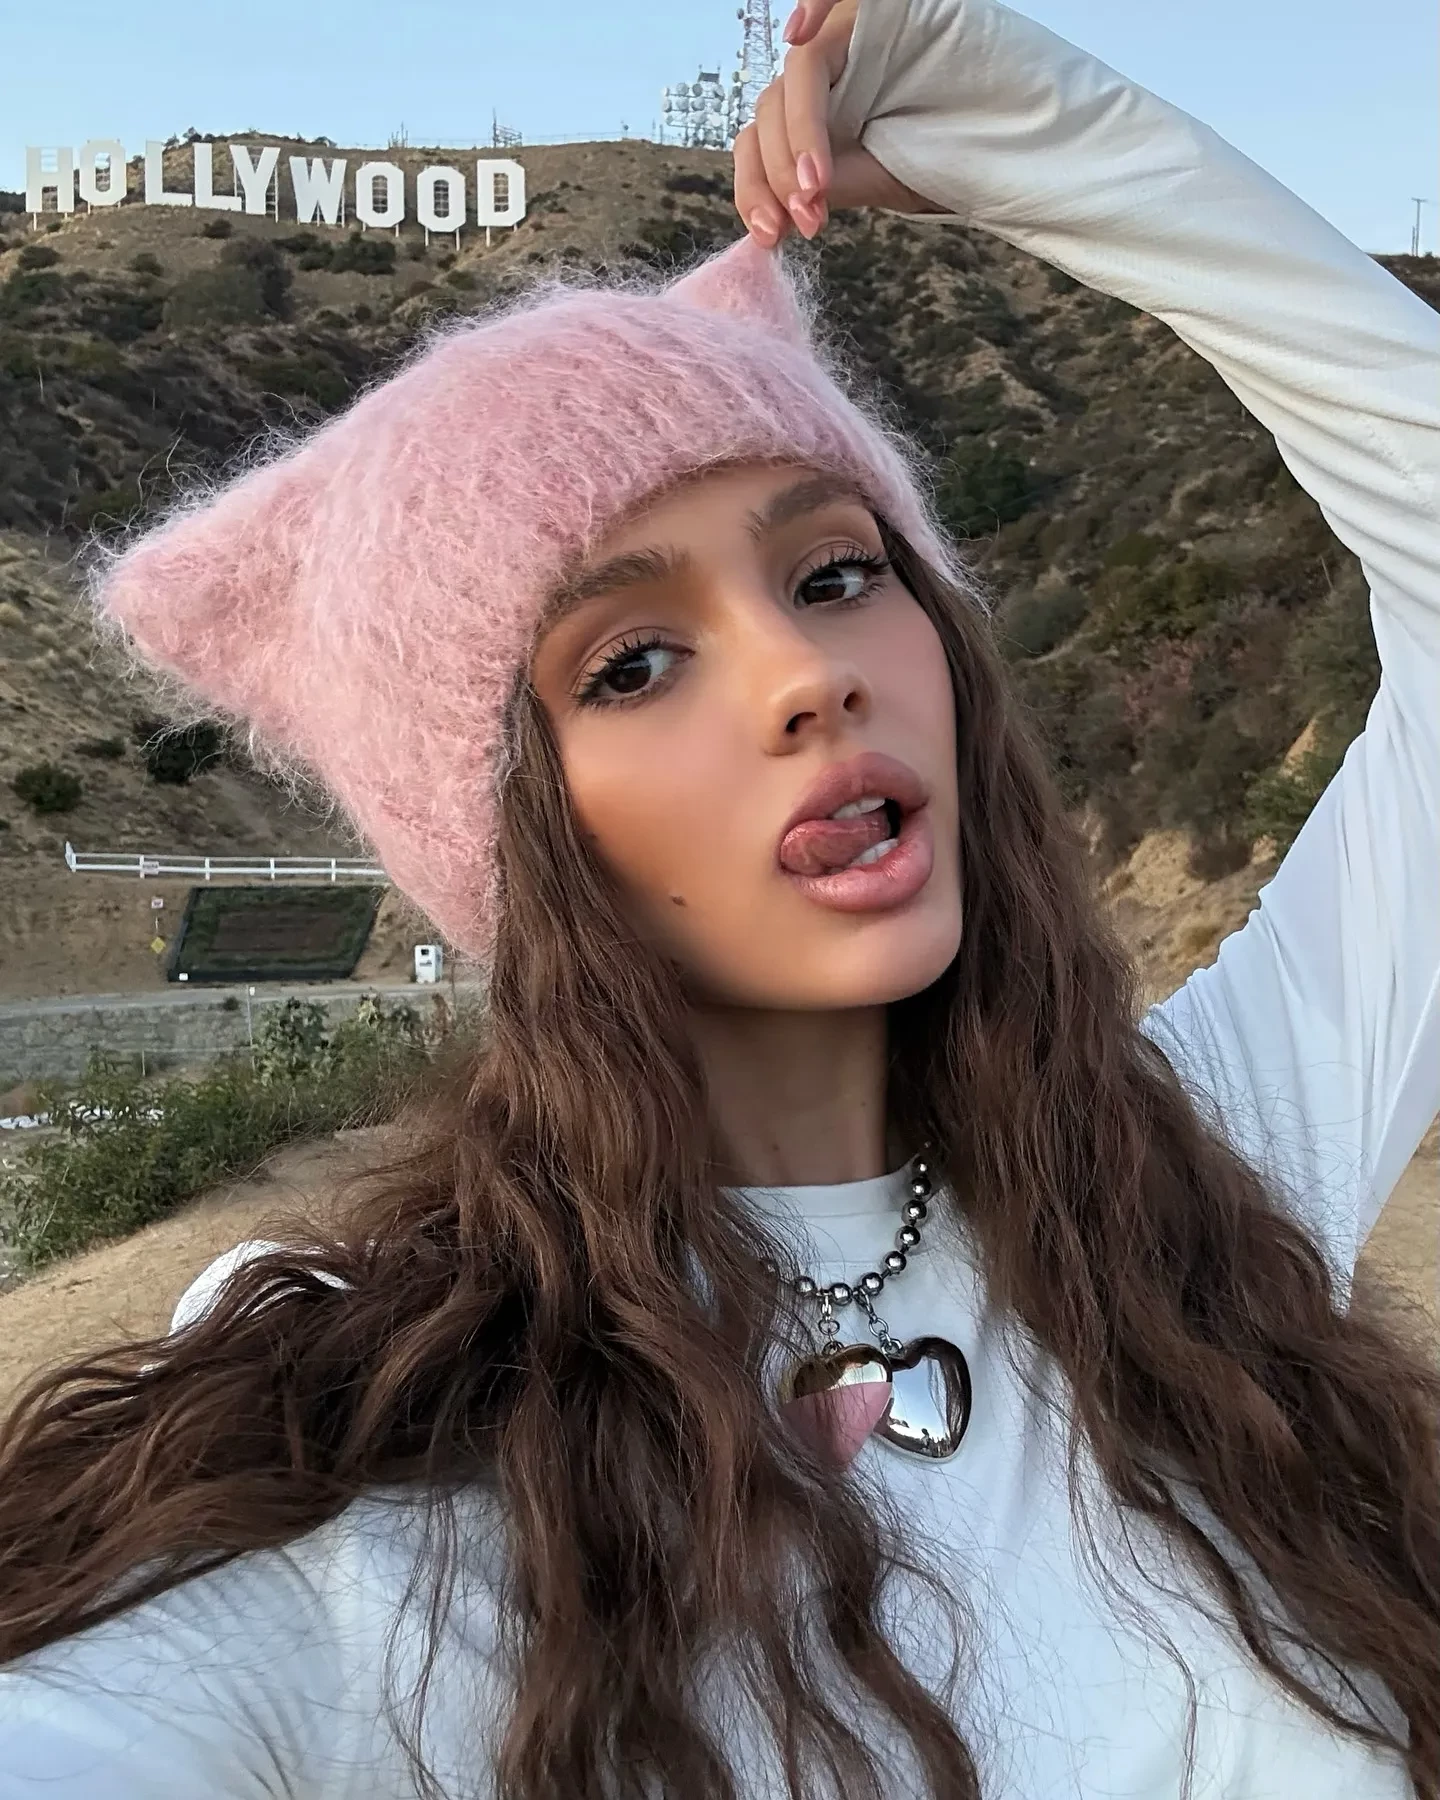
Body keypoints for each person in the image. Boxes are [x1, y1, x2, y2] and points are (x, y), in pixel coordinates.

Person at [1, 0, 1437, 1794]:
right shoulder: (373, 1454)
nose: (805, 676)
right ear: (512, 833)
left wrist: (1043, 127)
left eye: (835, 572)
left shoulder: (1212, 1162)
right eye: (631, 665)